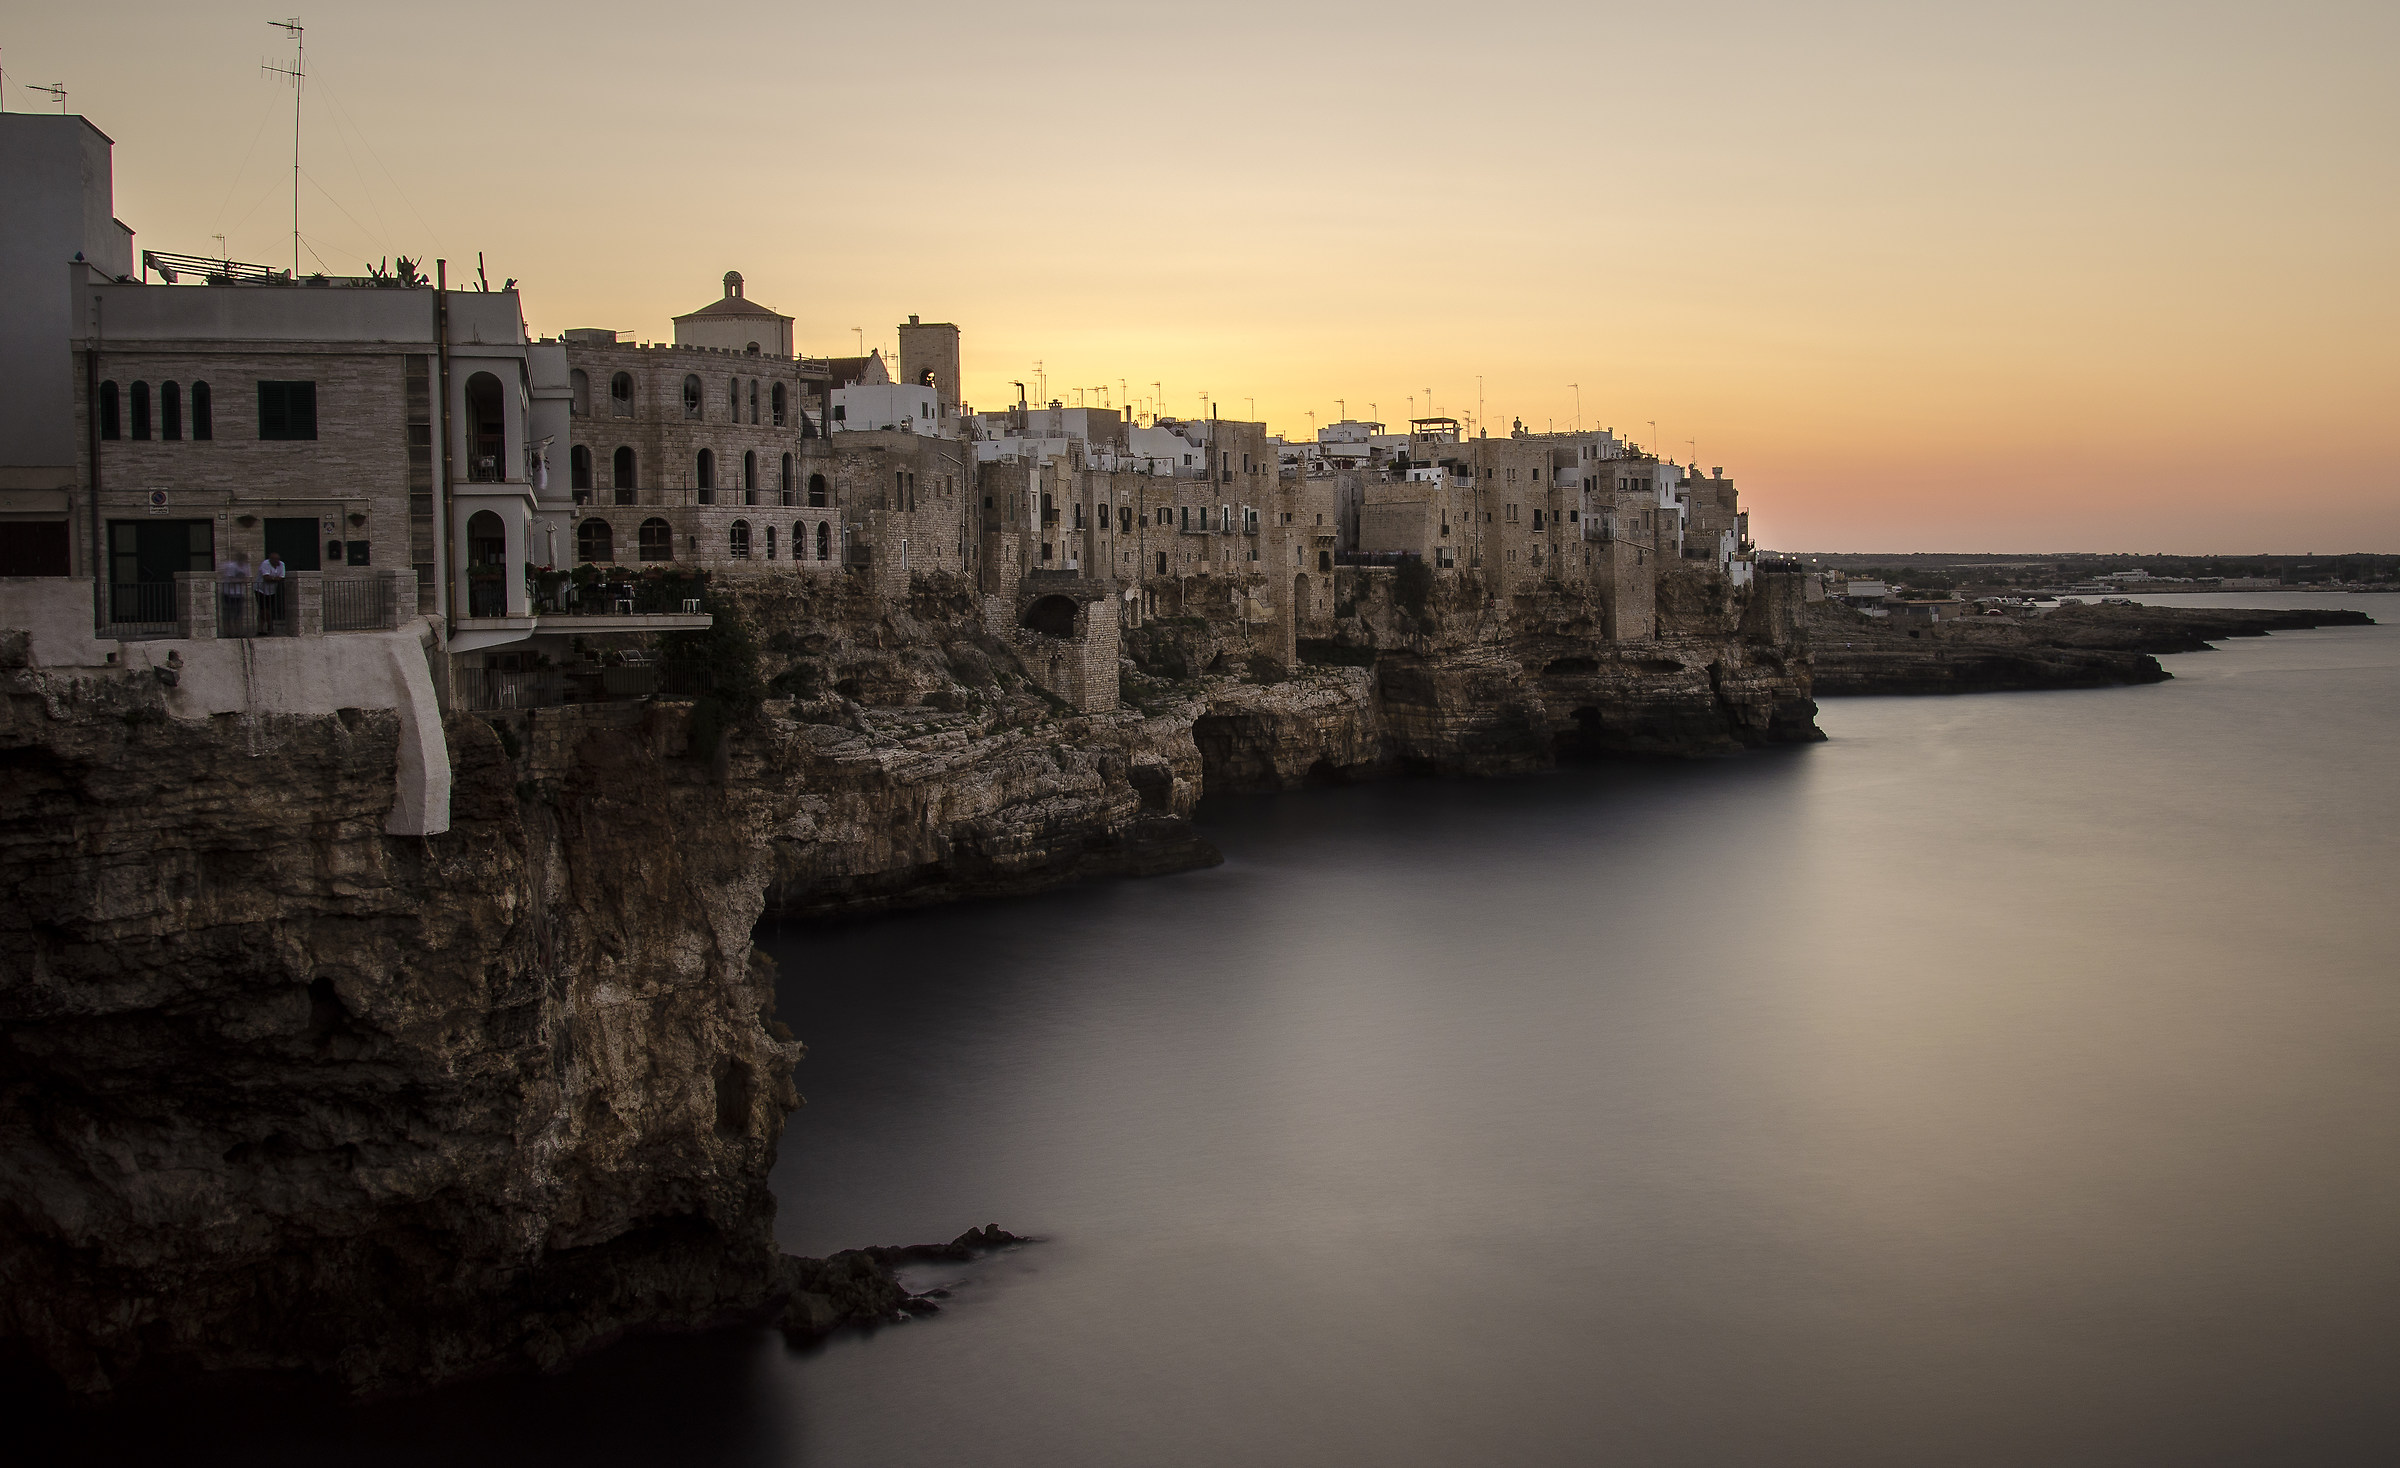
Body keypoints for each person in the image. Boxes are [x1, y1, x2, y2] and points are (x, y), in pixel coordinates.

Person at [218, 550, 251, 636]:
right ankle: (228, 632)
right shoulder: (232, 566)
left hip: (239, 594)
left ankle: (238, 632)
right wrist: (241, 581)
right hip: (228, 593)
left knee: (238, 614)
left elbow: (247, 579)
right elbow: (231, 579)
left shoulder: (246, 566)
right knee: (228, 615)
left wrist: (240, 581)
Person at [255, 550, 287, 633]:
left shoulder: (281, 564)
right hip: (260, 589)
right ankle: (270, 624)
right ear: (270, 560)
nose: (277, 562)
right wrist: (275, 579)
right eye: (275, 560)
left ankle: (260, 629)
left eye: (278, 559)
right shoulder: (265, 564)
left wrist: (272, 579)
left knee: (267, 609)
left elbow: (282, 578)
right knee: (263, 609)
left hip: (272, 590)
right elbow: (266, 578)